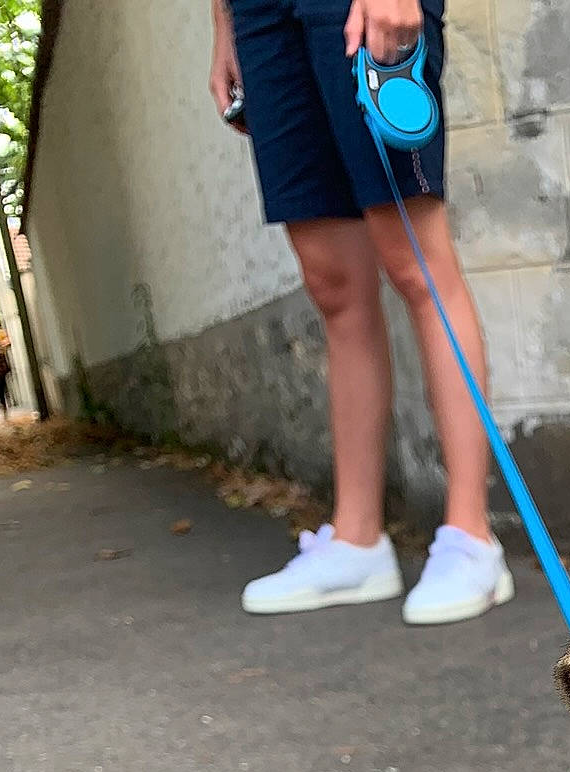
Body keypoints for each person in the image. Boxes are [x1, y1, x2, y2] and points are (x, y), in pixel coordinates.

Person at [210, 0, 513, 624]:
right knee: (333, 285)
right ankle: (357, 542)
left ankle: (471, 537)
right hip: (258, 17)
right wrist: (224, 27)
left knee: (416, 263)